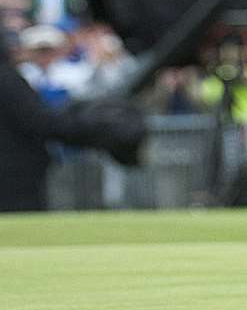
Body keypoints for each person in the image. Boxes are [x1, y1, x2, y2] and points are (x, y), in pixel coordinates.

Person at [1, 54, 146, 212]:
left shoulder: (7, 78)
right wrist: (91, 125)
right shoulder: (6, 79)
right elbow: (42, 122)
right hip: (15, 177)